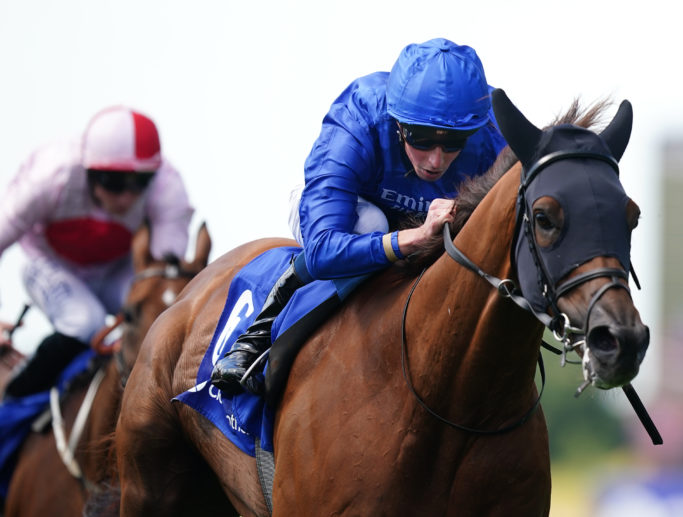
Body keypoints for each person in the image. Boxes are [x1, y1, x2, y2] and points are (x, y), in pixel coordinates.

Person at [211, 38, 507, 396]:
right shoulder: (358, 116)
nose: (435, 160)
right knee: (371, 225)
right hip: (347, 213)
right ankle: (258, 341)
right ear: (398, 124)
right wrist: (411, 237)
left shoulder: (490, 132)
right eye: (422, 139)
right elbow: (322, 250)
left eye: (453, 143)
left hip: (426, 219)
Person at [0, 106, 194, 398]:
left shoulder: (167, 188)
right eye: (114, 182)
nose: (127, 197)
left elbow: (163, 276)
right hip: (49, 264)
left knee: (156, 315)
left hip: (115, 271)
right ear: (89, 169)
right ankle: (12, 397)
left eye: (140, 182)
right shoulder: (53, 174)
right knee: (84, 321)